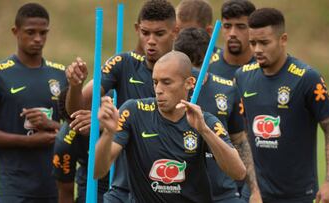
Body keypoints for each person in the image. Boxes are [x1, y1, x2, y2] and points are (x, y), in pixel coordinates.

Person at [94, 51, 246, 202]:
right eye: (155, 82)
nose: (159, 90)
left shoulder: (205, 120)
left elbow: (238, 172)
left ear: (189, 83)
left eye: (166, 82)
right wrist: (108, 133)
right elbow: (97, 171)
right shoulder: (133, 112)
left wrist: (204, 131)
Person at [65, 0, 177, 202]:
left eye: (159, 34)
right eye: (145, 33)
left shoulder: (184, 72)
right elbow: (77, 108)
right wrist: (75, 85)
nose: (151, 41)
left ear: (175, 31)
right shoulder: (123, 63)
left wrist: (116, 123)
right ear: (137, 29)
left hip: (168, 185)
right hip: (123, 185)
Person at [235, 8, 329, 203]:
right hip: (255, 196)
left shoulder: (306, 78)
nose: (257, 49)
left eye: (264, 42)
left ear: (283, 39)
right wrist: (253, 190)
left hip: (297, 196)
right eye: (252, 43)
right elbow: (244, 137)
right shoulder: (242, 77)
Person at [0, 3, 68, 202]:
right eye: (30, 32)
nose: (38, 39)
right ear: (15, 32)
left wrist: (52, 126)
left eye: (43, 33)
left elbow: (74, 131)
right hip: (12, 189)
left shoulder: (60, 74)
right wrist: (28, 142)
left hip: (54, 186)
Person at [174, 27, 261, 203]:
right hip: (179, 192)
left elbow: (239, 140)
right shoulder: (167, 90)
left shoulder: (227, 88)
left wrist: (254, 190)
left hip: (223, 195)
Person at [52, 88, 109, 203]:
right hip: (93, 187)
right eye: (75, 124)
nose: (82, 127)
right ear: (67, 122)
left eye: (85, 119)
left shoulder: (113, 107)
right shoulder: (64, 143)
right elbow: (65, 192)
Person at [208, 0, 255, 80]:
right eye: (227, 26)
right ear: (221, 28)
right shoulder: (207, 67)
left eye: (241, 26)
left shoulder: (264, 67)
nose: (232, 33)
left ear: (253, 29)